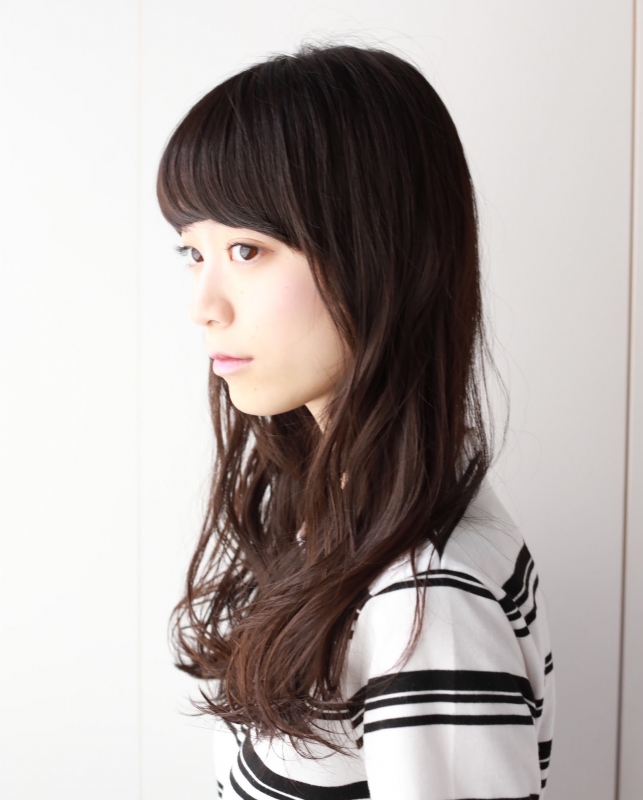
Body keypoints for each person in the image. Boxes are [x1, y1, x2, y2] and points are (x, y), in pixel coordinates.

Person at [156, 42, 555, 800]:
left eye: (246, 249)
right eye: (192, 253)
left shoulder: (425, 598)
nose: (204, 306)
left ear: (378, 252)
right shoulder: (346, 514)